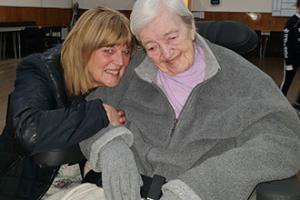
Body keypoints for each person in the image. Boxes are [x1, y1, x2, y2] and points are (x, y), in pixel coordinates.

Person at [54, 0, 300, 199]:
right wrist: (110, 145)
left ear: (191, 27)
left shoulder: (242, 78)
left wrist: (201, 186)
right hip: (118, 191)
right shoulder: (134, 70)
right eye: (152, 46)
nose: (166, 54)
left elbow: (284, 139)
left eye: (172, 37)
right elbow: (90, 110)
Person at [0, 6, 135, 200]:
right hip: (26, 188)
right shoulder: (39, 70)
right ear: (84, 48)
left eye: (126, 51)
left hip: (83, 183)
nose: (120, 61)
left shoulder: (115, 81)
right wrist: (101, 113)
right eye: (109, 50)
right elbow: (30, 131)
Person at [281, 0, 300, 111]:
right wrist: (287, 61)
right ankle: (279, 102)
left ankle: (298, 104)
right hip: (291, 58)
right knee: (287, 81)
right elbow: (285, 43)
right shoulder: (291, 21)